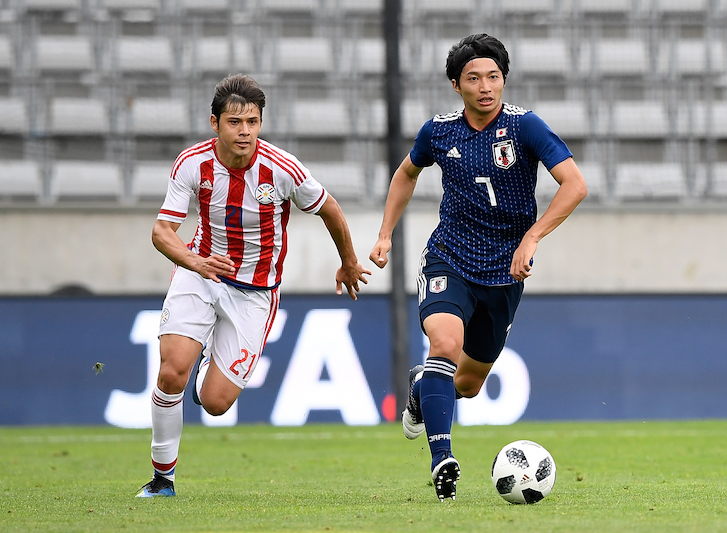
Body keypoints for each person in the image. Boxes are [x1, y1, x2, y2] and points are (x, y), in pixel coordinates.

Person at [369, 34, 587, 502]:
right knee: (444, 343)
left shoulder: (525, 127)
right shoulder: (439, 132)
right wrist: (386, 233)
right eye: (474, 78)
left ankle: (419, 389)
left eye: (493, 76)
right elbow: (407, 172)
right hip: (450, 255)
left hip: (504, 273)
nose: (485, 86)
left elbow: (574, 184)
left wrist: (532, 236)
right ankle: (441, 460)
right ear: (456, 85)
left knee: (466, 383)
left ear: (503, 80)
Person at [136, 74, 371, 498]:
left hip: (255, 292)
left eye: (252, 122)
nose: (244, 131)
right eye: (234, 122)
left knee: (216, 403)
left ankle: (208, 364)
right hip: (200, 272)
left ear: (260, 123)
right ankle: (161, 479)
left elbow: (330, 210)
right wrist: (194, 261)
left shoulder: (283, 169)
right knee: (171, 371)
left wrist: (349, 263)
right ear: (215, 123)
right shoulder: (192, 163)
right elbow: (161, 231)